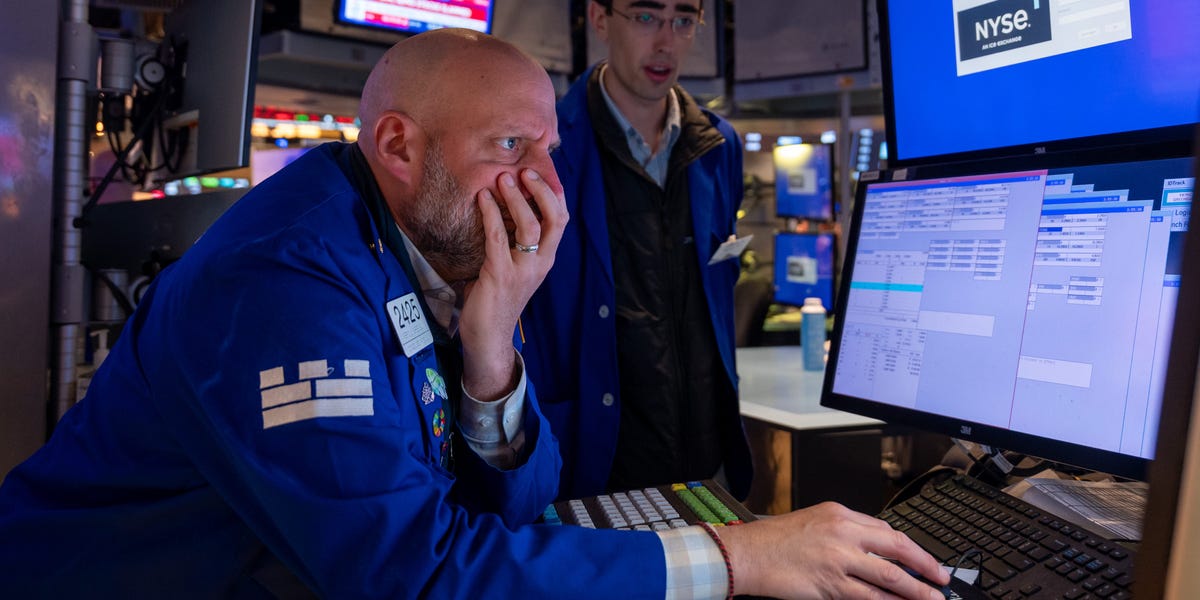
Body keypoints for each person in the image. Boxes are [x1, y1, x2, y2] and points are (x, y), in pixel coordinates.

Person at [0, 29, 948, 599]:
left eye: (549, 151)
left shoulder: (412, 252)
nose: (546, 187)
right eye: (509, 147)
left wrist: (492, 348)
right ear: (398, 146)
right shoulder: (283, 283)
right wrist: (734, 559)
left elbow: (522, 501)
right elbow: (409, 574)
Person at [522, 0, 752, 501]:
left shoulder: (720, 145)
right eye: (646, 17)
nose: (666, 42)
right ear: (600, 18)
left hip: (707, 460)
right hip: (595, 463)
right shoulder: (546, 147)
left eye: (683, 21)